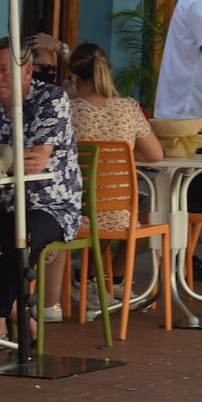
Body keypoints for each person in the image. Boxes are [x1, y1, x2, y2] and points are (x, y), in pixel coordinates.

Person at [0, 36, 83, 343]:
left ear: (27, 71)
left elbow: (35, 162)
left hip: (48, 204)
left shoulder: (51, 98)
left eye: (4, 70)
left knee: (22, 238)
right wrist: (2, 160)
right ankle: (14, 309)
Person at [39, 42, 165, 320]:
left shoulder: (66, 111)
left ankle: (91, 281)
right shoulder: (128, 108)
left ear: (74, 78)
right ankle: (109, 280)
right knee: (149, 209)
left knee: (94, 202)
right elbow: (155, 155)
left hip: (73, 215)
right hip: (119, 216)